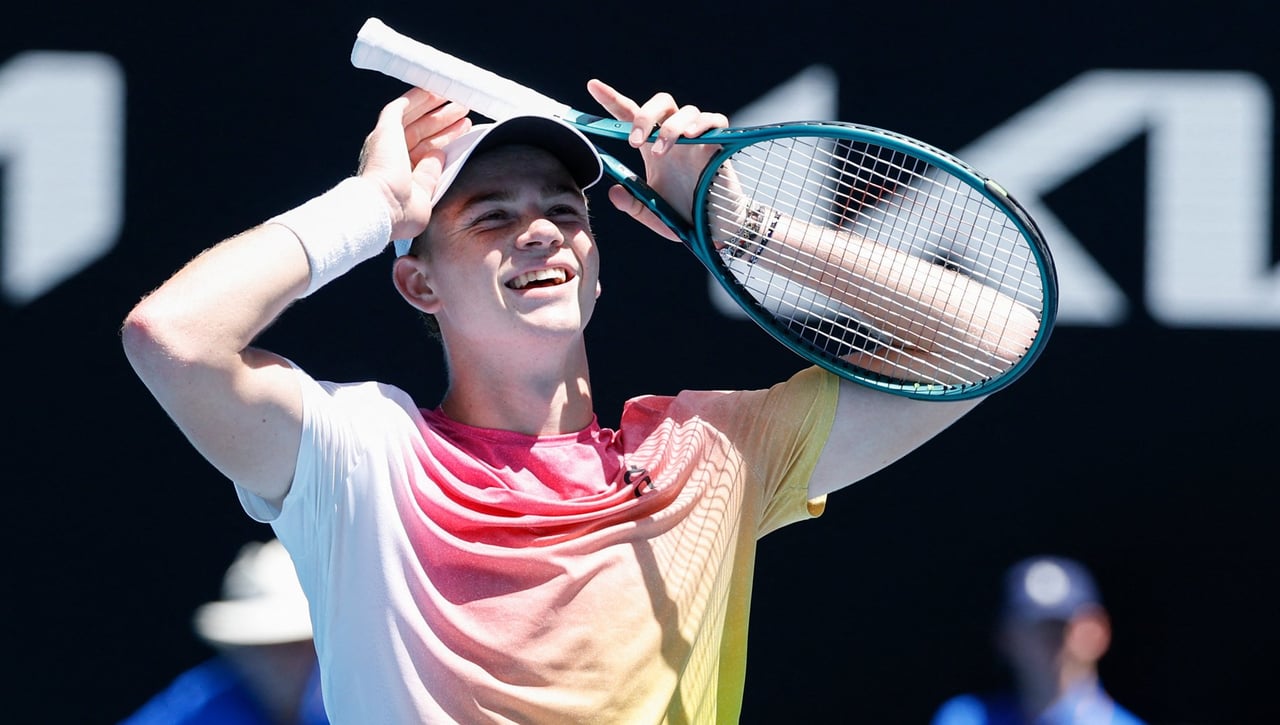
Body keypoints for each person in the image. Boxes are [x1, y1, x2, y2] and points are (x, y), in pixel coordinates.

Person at [122, 71, 1022, 722]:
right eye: (491, 217)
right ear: (418, 285)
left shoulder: (712, 452)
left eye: (566, 210)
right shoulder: (357, 450)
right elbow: (172, 335)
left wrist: (746, 236)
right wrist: (369, 207)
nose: (541, 232)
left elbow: (994, 337)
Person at [121, 538, 329, 724]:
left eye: (291, 646)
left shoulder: (351, 699)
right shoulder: (201, 705)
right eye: (258, 647)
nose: (274, 664)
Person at [930, 555, 1145, 725]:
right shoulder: (964, 719)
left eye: (1063, 626)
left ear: (1100, 631)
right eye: (1036, 628)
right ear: (1005, 638)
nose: (1052, 640)